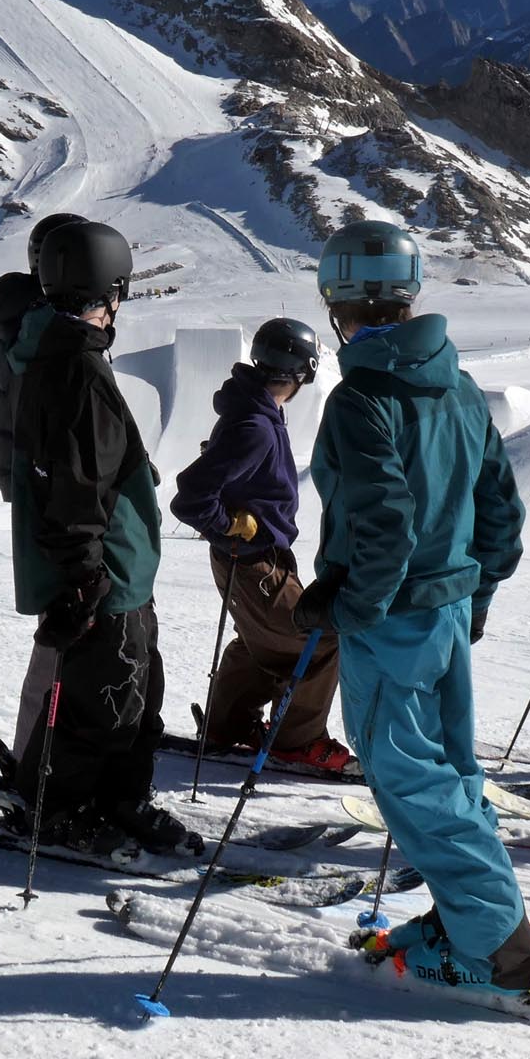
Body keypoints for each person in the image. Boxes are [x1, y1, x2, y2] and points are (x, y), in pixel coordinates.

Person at [300, 220, 530, 994]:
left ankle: (493, 950)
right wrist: (475, 598)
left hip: (394, 618)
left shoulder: (361, 398)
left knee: (411, 781)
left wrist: (347, 608)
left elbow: (386, 525)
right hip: (444, 612)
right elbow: (500, 512)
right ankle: (466, 917)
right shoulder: (459, 385)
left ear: (336, 300)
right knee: (453, 775)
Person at [2, 220, 199, 856]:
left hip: (119, 571)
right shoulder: (76, 371)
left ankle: (119, 800)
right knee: (104, 705)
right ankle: (62, 812)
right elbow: (76, 487)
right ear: (109, 291)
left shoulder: (58, 355)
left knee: (137, 700)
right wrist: (84, 576)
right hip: (106, 574)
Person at [171, 318, 352, 771]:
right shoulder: (254, 424)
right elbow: (190, 496)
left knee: (260, 639)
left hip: (256, 559)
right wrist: (229, 523)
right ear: (301, 374)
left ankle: (226, 724)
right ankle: (298, 739)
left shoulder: (254, 413)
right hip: (252, 560)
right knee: (321, 638)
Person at [0, 211, 85, 770]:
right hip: (57, 494)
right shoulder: (41, 332)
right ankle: (34, 755)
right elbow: (53, 424)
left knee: (71, 622)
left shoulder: (24, 325)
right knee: (66, 621)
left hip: (41, 489)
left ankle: (47, 745)